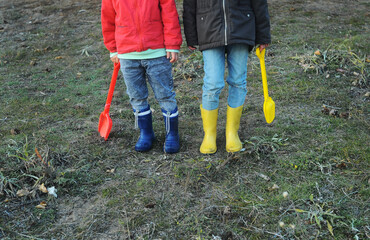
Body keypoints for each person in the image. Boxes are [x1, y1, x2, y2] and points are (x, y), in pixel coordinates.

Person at [183, 0, 271, 154]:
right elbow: (189, 5)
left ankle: (232, 132)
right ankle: (209, 134)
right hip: (208, 28)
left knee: (238, 81)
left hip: (241, 26)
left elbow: (260, 3)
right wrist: (191, 34)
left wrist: (263, 35)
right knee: (212, 83)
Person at [101, 0, 182, 153]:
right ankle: (146, 133)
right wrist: (113, 47)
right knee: (136, 96)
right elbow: (108, 18)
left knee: (165, 95)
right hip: (127, 53)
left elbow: (169, 13)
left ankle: (172, 134)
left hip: (157, 51)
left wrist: (172, 43)